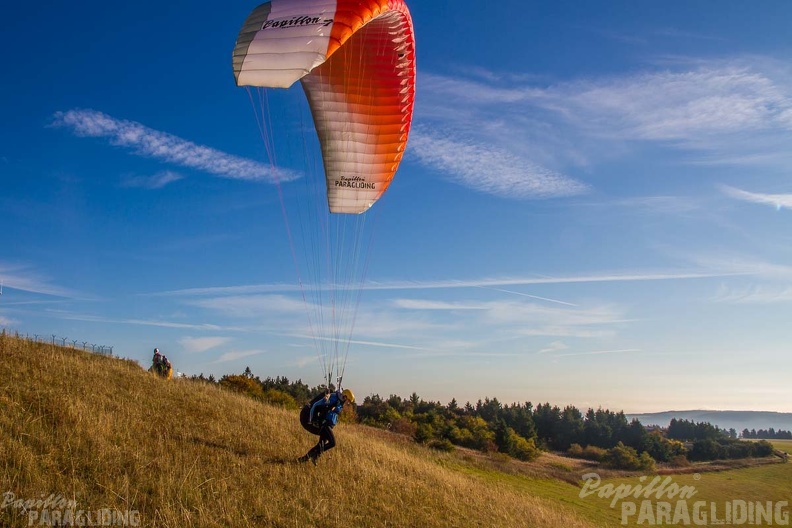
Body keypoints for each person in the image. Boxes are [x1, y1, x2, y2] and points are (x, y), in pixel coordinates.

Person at [299, 388, 355, 465]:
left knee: (321, 444)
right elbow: (317, 405)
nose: (348, 404)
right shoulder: (334, 398)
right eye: (348, 401)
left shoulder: (340, 402)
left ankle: (304, 458)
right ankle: (314, 454)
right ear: (345, 397)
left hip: (329, 424)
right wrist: (312, 420)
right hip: (324, 423)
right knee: (332, 442)